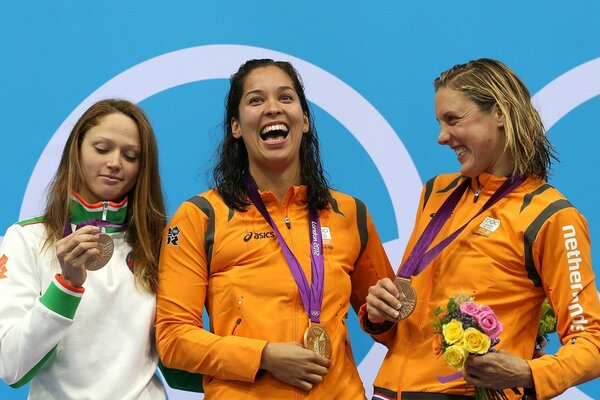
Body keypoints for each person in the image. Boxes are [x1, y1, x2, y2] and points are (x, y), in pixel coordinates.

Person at [155, 58, 395, 399]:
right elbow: (173, 339)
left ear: (306, 120)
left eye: (285, 98)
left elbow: (392, 329)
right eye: (256, 100)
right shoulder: (200, 216)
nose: (272, 109)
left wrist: (382, 316)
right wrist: (263, 356)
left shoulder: (349, 213)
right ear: (236, 127)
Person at [362, 58, 600, 400]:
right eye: (439, 122)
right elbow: (411, 336)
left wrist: (529, 373)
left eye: (453, 120)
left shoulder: (550, 216)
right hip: (388, 392)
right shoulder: (436, 192)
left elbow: (591, 342)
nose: (442, 137)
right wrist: (381, 315)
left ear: (500, 113)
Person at [0, 99, 167, 399]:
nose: (115, 163)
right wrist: (66, 286)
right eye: (102, 149)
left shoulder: (159, 245)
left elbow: (182, 363)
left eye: (131, 156)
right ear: (75, 152)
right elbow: (12, 367)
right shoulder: (27, 239)